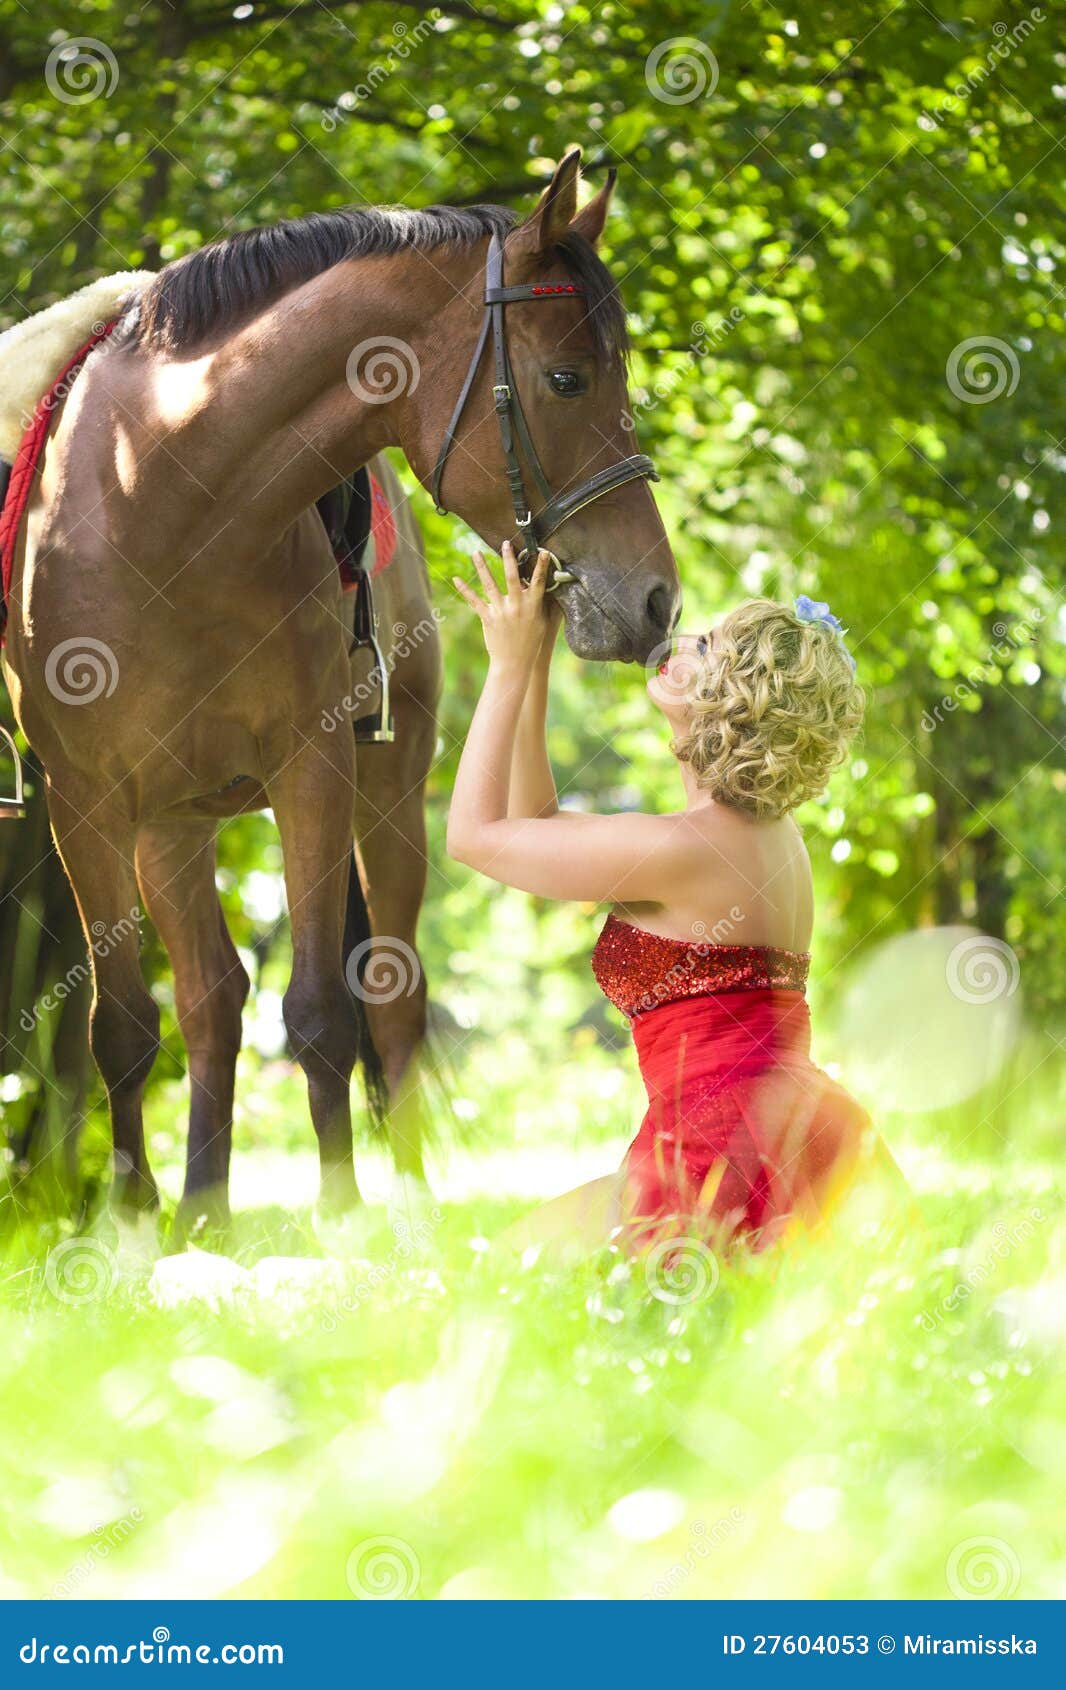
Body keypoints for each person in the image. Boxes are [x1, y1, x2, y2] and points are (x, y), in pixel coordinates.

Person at [449, 542, 879, 1255]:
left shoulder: (691, 848)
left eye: (707, 645)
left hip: (720, 1158)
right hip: (792, 1135)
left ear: (739, 700)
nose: (679, 640)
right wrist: (537, 656)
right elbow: (535, 824)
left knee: (493, 1274)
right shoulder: (766, 838)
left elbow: (474, 835)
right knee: (511, 1267)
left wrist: (506, 667)